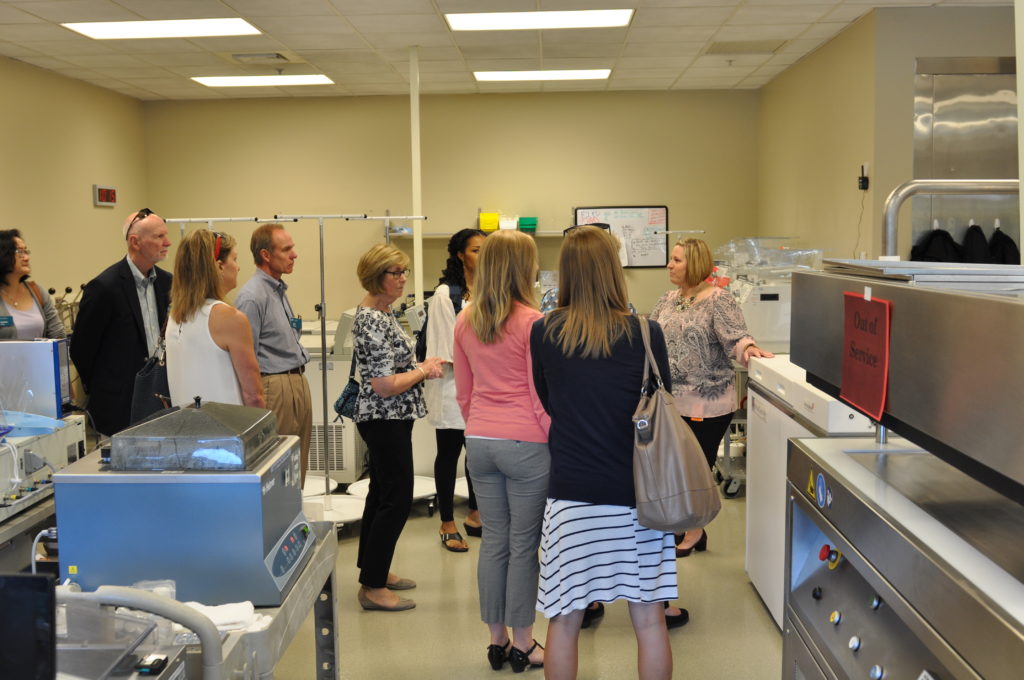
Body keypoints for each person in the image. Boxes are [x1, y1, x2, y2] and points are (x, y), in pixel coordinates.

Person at [531, 225, 677, 680]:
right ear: (615, 270)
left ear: (567, 273)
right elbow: (662, 399)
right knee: (650, 619)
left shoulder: (544, 332)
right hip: (640, 497)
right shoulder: (646, 332)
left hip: (572, 495)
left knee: (565, 619)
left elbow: (549, 401)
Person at [453, 230, 550, 672]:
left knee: (493, 542)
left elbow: (464, 392)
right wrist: (551, 435)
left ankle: (496, 640)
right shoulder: (532, 322)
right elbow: (538, 394)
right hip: (526, 443)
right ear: (520, 269)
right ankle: (525, 644)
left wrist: (479, 428)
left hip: (480, 442)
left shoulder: (465, 319)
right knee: (523, 544)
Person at [649, 238, 774, 556]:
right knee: (675, 468)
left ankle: (693, 529)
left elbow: (738, 337)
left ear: (695, 263)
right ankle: (689, 526)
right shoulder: (668, 300)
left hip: (708, 402)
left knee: (696, 469)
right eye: (671, 259)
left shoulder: (719, 299)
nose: (670, 265)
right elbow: (651, 337)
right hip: (671, 401)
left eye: (677, 260)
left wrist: (750, 351)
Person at [351, 244, 445, 612]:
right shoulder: (371, 319)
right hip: (383, 418)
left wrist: (423, 363)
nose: (403, 278)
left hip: (391, 418)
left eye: (404, 271)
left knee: (381, 495)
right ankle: (374, 587)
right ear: (377, 275)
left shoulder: (383, 312)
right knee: (396, 498)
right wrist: (424, 371)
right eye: (395, 272)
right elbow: (384, 384)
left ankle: (374, 571)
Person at [71, 209, 172, 436]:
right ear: (135, 242)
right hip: (119, 402)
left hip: (160, 395)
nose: (168, 242)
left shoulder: (167, 283)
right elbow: (81, 349)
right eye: (159, 236)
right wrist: (106, 386)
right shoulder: (104, 288)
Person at [234, 224, 312, 484]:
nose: (294, 254)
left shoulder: (277, 290)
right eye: (287, 249)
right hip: (274, 386)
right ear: (266, 255)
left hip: (296, 381)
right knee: (278, 468)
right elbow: (246, 359)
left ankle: (293, 520)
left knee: (297, 464)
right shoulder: (252, 297)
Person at [425, 228, 485, 553]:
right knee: (449, 454)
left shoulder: (490, 291)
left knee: (476, 454)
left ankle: (475, 514)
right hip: (451, 386)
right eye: (475, 250)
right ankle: (447, 521)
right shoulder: (445, 295)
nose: (482, 255)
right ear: (461, 255)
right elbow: (442, 348)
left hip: (483, 388)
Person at [165, 230, 265, 409]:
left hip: (185, 430)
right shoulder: (231, 319)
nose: (238, 267)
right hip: (230, 431)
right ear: (219, 266)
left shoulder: (174, 318)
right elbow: (254, 396)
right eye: (234, 259)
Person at [0, 229, 66, 340]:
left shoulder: (37, 291)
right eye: (20, 252)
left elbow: (58, 333)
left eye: (26, 252)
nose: (27, 258)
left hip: (41, 357)